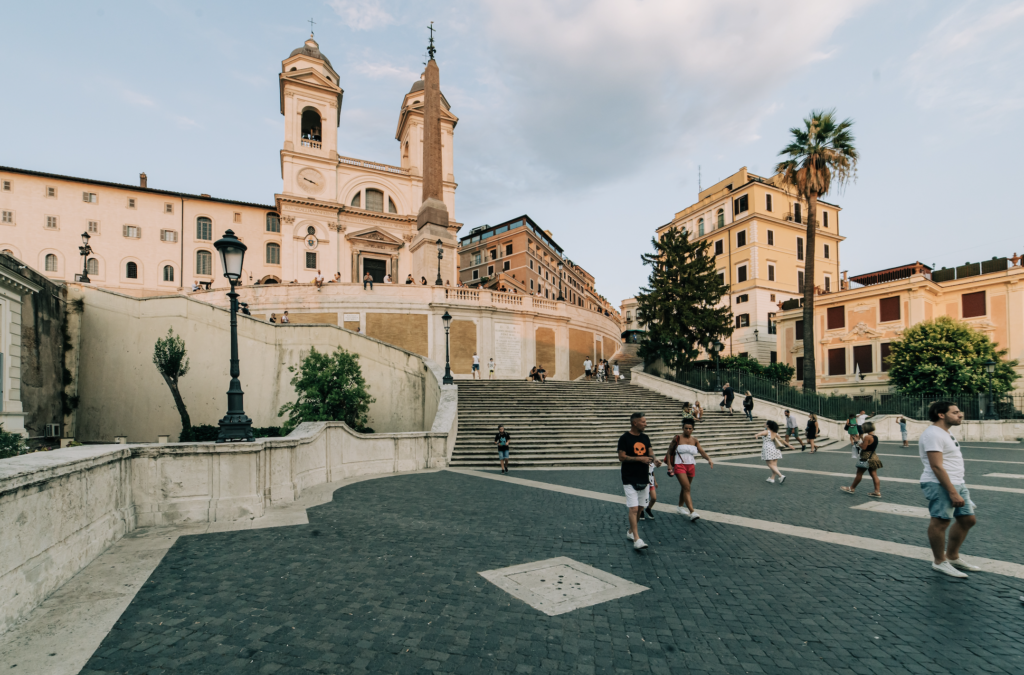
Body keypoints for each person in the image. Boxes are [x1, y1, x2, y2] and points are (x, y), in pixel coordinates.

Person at [919, 402, 979, 578]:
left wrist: (958, 488)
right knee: (940, 522)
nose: (961, 414)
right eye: (955, 412)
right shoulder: (933, 434)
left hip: (957, 482)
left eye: (959, 411)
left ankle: (952, 557)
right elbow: (936, 466)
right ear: (941, 414)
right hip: (939, 484)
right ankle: (939, 561)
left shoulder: (946, 432)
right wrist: (952, 492)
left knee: (967, 520)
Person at [618, 412, 654, 551]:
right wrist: (639, 459)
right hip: (629, 477)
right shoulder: (624, 438)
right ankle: (637, 539)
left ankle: (631, 531)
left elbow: (650, 453)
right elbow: (621, 457)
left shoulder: (645, 437)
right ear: (635, 423)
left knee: (640, 509)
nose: (646, 424)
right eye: (643, 422)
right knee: (633, 509)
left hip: (643, 477)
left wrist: (654, 459)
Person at [665, 420, 714, 521]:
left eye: (690, 428)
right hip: (679, 465)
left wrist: (709, 459)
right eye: (686, 428)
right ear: (682, 428)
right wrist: (669, 465)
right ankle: (692, 512)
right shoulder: (677, 438)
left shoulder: (694, 440)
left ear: (693, 429)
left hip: (691, 466)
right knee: (687, 488)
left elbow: (702, 451)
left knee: (685, 487)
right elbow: (669, 451)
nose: (688, 430)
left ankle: (680, 506)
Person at [840, 421, 882, 498]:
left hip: (866, 457)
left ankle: (852, 488)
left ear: (867, 428)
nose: (862, 429)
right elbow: (868, 446)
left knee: (859, 474)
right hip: (874, 457)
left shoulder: (867, 437)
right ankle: (877, 491)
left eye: (863, 428)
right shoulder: (875, 436)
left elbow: (864, 447)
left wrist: (857, 441)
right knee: (874, 475)